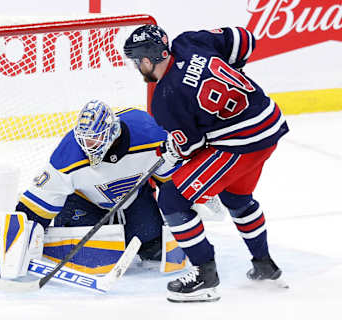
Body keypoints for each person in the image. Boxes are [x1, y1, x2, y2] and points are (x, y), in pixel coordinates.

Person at [123, 25, 289, 302]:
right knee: (236, 196)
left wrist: (173, 149)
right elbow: (244, 39)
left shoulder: (166, 97)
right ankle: (265, 265)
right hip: (269, 123)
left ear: (148, 61)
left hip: (240, 143)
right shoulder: (189, 41)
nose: (137, 67)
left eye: (137, 61)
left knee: (173, 200)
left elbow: (192, 147)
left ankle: (205, 275)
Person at [15, 99, 180, 265]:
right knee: (86, 259)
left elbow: (171, 182)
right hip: (84, 203)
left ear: (113, 131)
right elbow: (38, 202)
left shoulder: (150, 133)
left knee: (155, 248)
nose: (88, 146)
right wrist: (20, 239)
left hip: (133, 200)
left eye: (94, 139)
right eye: (84, 140)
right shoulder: (68, 153)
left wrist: (179, 217)